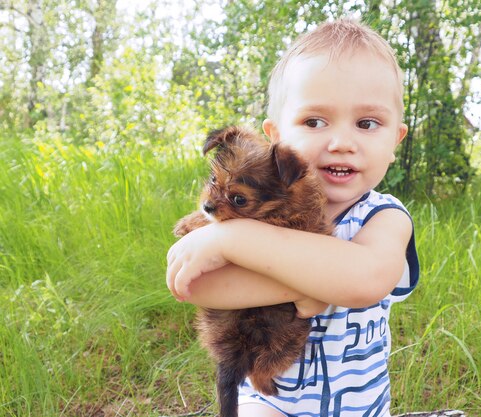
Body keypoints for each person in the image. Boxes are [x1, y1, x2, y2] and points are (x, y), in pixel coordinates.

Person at [166, 19, 419, 417]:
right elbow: (193, 287)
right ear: (276, 138)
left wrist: (231, 242)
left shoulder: (385, 217)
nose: (341, 143)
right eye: (314, 121)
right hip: (269, 403)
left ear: (395, 141)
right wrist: (305, 289)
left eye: (367, 123)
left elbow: (363, 280)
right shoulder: (248, 209)